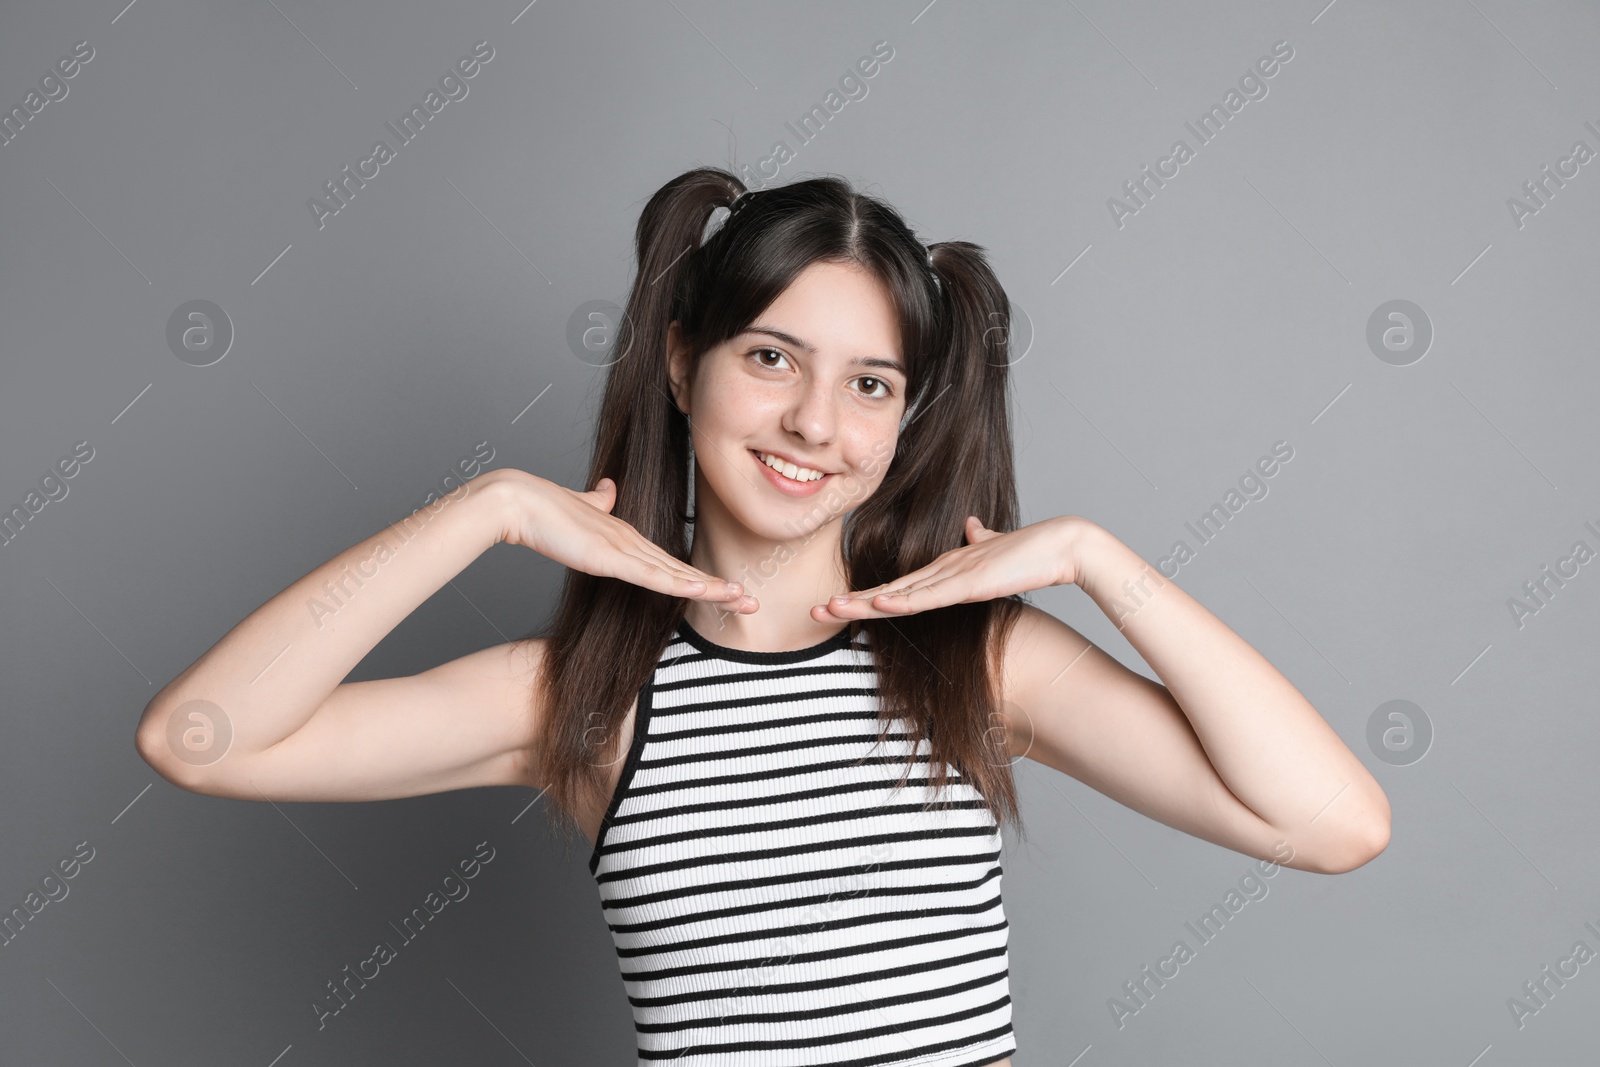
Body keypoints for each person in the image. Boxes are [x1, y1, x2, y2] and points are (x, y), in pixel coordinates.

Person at [135, 166, 1391, 1067]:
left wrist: (1094, 559)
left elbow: (1335, 823)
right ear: (683, 365)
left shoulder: (979, 663)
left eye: (869, 383)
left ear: (902, 421)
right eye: (771, 357)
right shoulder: (578, 698)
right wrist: (487, 509)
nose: (813, 423)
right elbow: (198, 738)